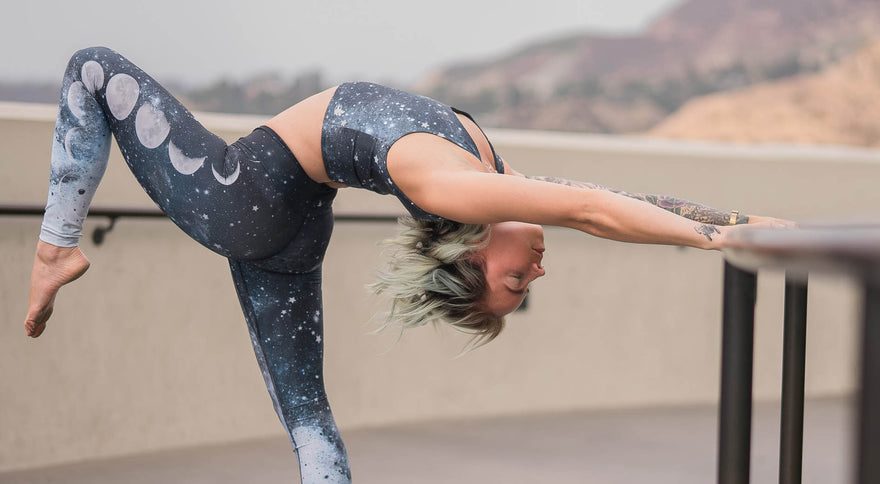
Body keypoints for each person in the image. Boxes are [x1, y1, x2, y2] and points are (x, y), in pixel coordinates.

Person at [23, 47, 791, 483]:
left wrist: (713, 244)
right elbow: (611, 199)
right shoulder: (486, 182)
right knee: (310, 426)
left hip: (243, 199)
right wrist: (742, 224)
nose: (538, 273)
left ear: (473, 253)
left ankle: (55, 249)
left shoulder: (451, 189)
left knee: (92, 70)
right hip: (289, 230)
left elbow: (591, 212)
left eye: (515, 283)